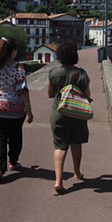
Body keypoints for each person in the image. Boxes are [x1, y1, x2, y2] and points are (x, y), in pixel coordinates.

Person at [0, 38, 34, 183]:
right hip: (16, 109)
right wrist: (29, 110)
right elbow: (23, 90)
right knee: (15, 136)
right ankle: (13, 162)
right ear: (12, 51)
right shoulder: (19, 67)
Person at [47, 40, 92, 196]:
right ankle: (77, 172)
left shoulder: (53, 73)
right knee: (76, 143)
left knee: (60, 146)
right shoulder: (81, 74)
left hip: (59, 113)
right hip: (77, 113)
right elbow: (88, 94)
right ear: (75, 55)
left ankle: (58, 182)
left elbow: (50, 94)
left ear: (59, 55)